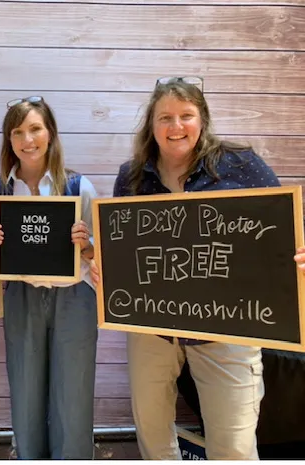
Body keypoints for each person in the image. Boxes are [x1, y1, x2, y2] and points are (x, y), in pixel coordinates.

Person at [91, 76, 278, 459]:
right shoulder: (131, 178)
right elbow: (121, 252)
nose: (176, 127)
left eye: (186, 116)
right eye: (165, 118)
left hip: (228, 327)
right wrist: (102, 267)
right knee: (155, 441)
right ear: (152, 126)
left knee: (235, 448)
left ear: (202, 119)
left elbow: (280, 231)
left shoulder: (242, 166)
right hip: (152, 329)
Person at [0, 96, 98, 459]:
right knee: (26, 391)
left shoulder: (79, 187)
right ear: (9, 139)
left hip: (74, 297)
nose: (27, 139)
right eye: (17, 132)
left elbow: (100, 260)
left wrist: (86, 245)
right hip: (22, 295)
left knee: (73, 393)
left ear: (50, 134)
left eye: (35, 129)